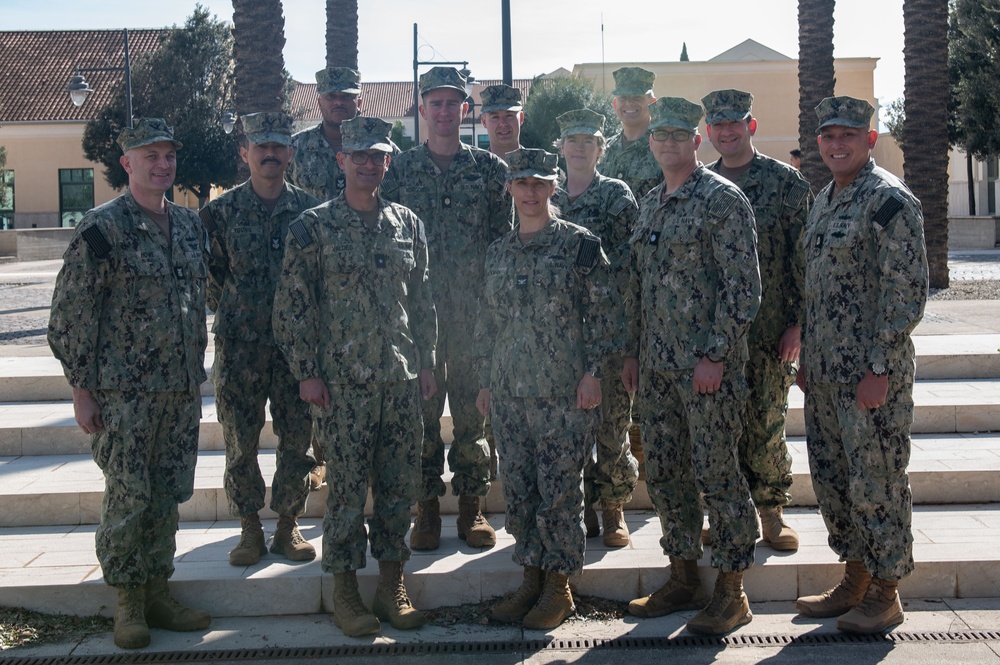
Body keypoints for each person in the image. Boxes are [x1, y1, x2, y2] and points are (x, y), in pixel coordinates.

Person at [48, 118, 212, 649]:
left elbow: (196, 303)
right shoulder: (102, 228)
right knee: (128, 495)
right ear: (127, 164)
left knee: (167, 495)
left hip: (180, 390)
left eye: (169, 156)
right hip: (125, 396)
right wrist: (81, 389)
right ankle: (127, 600)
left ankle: (159, 590)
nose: (162, 165)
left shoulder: (190, 226)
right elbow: (70, 314)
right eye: (151, 156)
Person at [273, 116, 437, 637]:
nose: (369, 163)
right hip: (341, 385)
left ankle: (391, 586)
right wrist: (306, 373)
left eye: (378, 155)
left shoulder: (408, 224)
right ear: (341, 160)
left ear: (389, 161)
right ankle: (345, 591)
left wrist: (428, 362)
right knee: (345, 490)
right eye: (359, 155)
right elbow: (292, 307)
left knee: (397, 486)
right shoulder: (312, 227)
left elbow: (424, 300)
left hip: (400, 377)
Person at [622, 97, 761, 635]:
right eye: (660, 137)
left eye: (679, 136)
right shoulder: (652, 202)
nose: (668, 144)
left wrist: (716, 354)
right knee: (665, 473)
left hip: (707, 371)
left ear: (696, 142)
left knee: (718, 473)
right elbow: (640, 285)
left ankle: (731, 588)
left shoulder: (722, 200)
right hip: (657, 370)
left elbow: (742, 289)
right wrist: (634, 352)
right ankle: (682, 574)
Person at [794, 96, 928, 634]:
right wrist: (807, 355)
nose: (837, 143)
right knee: (834, 481)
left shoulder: (888, 201)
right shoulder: (825, 200)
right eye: (828, 136)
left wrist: (879, 369)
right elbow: (815, 285)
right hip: (825, 373)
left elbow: (905, 294)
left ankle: (887, 589)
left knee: (876, 482)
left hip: (869, 378)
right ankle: (855, 578)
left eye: (848, 134)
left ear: (869, 139)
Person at [475, 148, 614, 630]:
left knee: (559, 494)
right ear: (509, 189)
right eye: (522, 183)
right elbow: (487, 323)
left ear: (553, 188)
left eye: (539, 183)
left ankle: (559, 587)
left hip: (563, 395)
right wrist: (486, 381)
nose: (530, 193)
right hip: (510, 392)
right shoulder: (499, 251)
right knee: (520, 490)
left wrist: (593, 372)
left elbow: (602, 314)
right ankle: (531, 577)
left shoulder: (580, 245)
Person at [382, 66, 513, 551]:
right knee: (420, 420)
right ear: (422, 109)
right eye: (433, 102)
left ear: (464, 110)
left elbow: (504, 248)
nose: (442, 111)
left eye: (451, 103)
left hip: (474, 321)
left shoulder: (489, 172)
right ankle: (427, 509)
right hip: (418, 322)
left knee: (472, 420)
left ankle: (472, 507)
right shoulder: (398, 172)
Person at [200, 112, 320, 567]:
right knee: (239, 440)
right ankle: (249, 528)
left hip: (296, 352)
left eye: (278, 146)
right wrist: (239, 310)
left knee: (297, 440)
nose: (270, 154)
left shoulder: (311, 213)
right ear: (244, 153)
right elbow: (212, 277)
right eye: (261, 147)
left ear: (290, 152)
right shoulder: (219, 213)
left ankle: (288, 526)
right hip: (240, 347)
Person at [702, 89, 811, 552]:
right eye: (718, 126)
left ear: (751, 126)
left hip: (771, 334)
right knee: (718, 430)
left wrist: (799, 325)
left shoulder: (786, 183)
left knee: (766, 425)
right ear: (708, 133)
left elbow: (806, 260)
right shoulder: (700, 185)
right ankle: (727, 514)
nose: (727, 132)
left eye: (735, 124)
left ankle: (772, 513)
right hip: (717, 338)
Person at [551, 108, 639, 548]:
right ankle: (578, 507)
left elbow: (633, 266)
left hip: (608, 331)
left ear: (601, 148)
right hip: (561, 336)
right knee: (568, 426)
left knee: (611, 425)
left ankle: (612, 507)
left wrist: (629, 345)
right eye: (574, 140)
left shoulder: (616, 197)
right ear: (562, 147)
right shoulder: (548, 196)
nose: (581, 147)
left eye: (590, 140)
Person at [287, 67, 362, 202]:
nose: (338, 102)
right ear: (319, 103)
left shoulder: (380, 151)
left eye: (346, 96)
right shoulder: (294, 148)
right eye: (330, 96)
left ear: (359, 103)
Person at [601, 66, 664, 201]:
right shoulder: (604, 149)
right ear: (615, 104)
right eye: (623, 98)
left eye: (637, 97)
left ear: (652, 103)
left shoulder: (664, 147)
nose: (629, 103)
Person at [480, 84, 524, 160]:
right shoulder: (472, 169)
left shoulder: (539, 166)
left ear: (521, 118)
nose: (503, 123)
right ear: (484, 122)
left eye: (509, 116)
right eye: (495, 117)